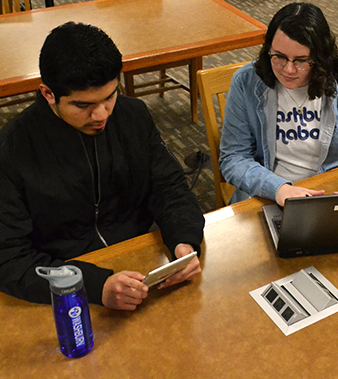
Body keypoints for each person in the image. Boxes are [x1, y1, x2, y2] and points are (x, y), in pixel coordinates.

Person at [0, 22, 205, 311]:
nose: (100, 114)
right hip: (60, 286)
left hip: (140, 268)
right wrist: (93, 287)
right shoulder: (13, 149)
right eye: (83, 105)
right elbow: (9, 260)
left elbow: (169, 188)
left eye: (110, 96)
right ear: (48, 94)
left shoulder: (133, 116)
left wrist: (185, 241)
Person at [219, 2, 338, 207]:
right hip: (270, 192)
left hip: (337, 190)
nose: (288, 69)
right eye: (279, 57)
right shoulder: (247, 82)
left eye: (301, 60)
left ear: (320, 57)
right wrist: (278, 188)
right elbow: (233, 157)